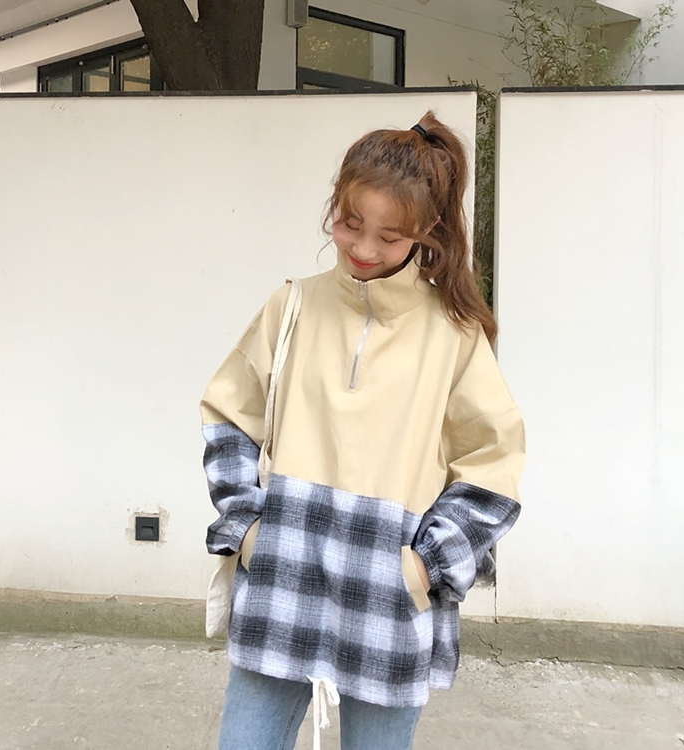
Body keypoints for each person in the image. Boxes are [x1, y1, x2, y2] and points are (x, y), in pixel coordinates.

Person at [200, 111, 525, 750]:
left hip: (389, 603)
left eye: (390, 235)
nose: (364, 248)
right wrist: (250, 530)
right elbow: (230, 416)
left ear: (427, 234)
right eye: (351, 223)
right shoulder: (292, 305)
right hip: (282, 579)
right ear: (335, 206)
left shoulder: (454, 334)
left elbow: (493, 463)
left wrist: (424, 567)